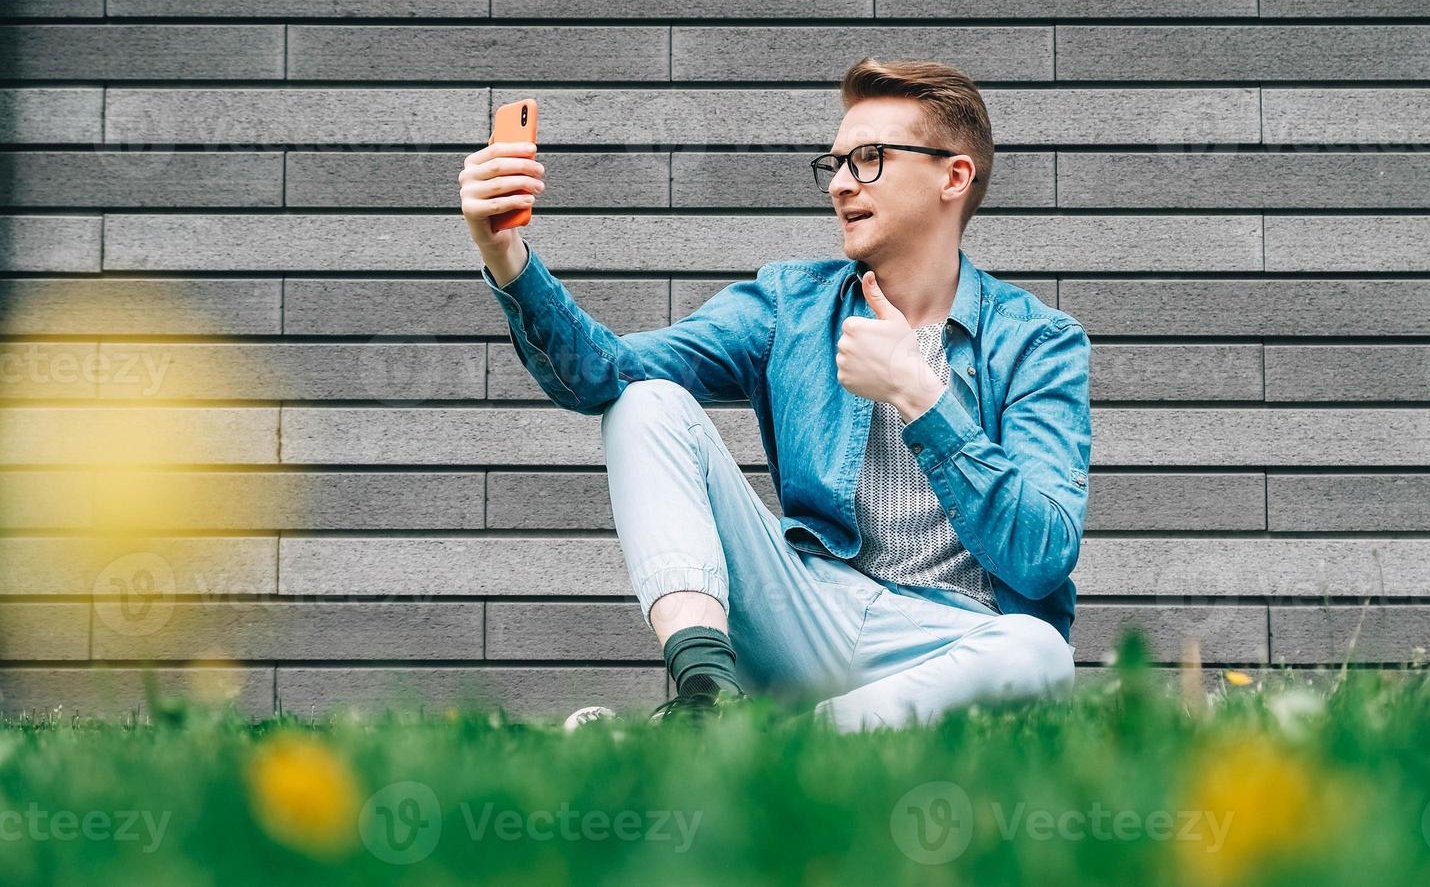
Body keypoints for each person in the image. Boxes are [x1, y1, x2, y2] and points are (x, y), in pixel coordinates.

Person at [458, 57, 1090, 734]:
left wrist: (919, 394)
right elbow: (602, 376)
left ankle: (772, 739)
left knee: (1041, 656)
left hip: (953, 643)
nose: (842, 185)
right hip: (811, 615)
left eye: (870, 159)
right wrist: (507, 257)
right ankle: (706, 688)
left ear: (953, 176)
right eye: (837, 164)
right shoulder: (791, 305)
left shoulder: (1038, 343)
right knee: (646, 402)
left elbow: (1042, 554)